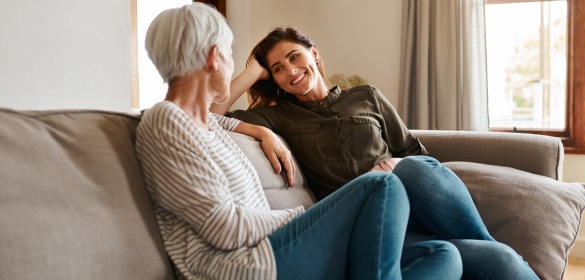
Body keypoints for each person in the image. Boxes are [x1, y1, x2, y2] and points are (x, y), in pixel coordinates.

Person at [135, 4, 462, 280]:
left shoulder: (204, 123)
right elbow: (224, 228)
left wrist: (262, 132)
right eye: (230, 54)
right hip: (247, 267)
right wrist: (307, 215)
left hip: (274, 250)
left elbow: (218, 117)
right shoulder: (166, 121)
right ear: (213, 56)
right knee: (381, 186)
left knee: (442, 254)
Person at [211, 27, 540, 279]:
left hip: (418, 207)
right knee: (495, 260)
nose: (291, 70)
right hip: (375, 225)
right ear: (276, 80)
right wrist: (259, 108)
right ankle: (491, 248)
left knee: (413, 171)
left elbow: (417, 155)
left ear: (314, 54)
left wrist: (395, 164)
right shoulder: (279, 115)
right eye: (278, 68)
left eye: (294, 56)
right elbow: (209, 114)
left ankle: (484, 241)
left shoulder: (366, 95)